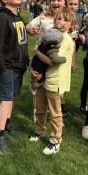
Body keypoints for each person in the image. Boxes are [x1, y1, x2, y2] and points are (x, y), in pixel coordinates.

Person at [0, 0, 29, 155]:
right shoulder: (2, 18)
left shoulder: (17, 17)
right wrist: (2, 67)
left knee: (11, 98)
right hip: (8, 67)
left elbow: (20, 42)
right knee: (6, 99)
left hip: (19, 66)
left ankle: (8, 123)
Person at [31, 8, 75, 155]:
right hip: (44, 78)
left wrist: (36, 51)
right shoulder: (51, 34)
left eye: (65, 20)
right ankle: (39, 131)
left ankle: (55, 140)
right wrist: (33, 69)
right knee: (40, 108)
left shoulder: (66, 40)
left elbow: (52, 61)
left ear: (71, 24)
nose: (61, 22)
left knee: (55, 113)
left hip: (56, 81)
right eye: (58, 19)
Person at [29, 27, 66, 93]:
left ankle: (33, 82)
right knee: (40, 81)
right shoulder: (52, 51)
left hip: (35, 63)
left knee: (35, 77)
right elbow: (56, 60)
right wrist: (64, 59)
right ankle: (33, 87)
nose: (61, 44)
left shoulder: (42, 44)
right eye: (60, 43)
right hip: (41, 68)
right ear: (53, 45)